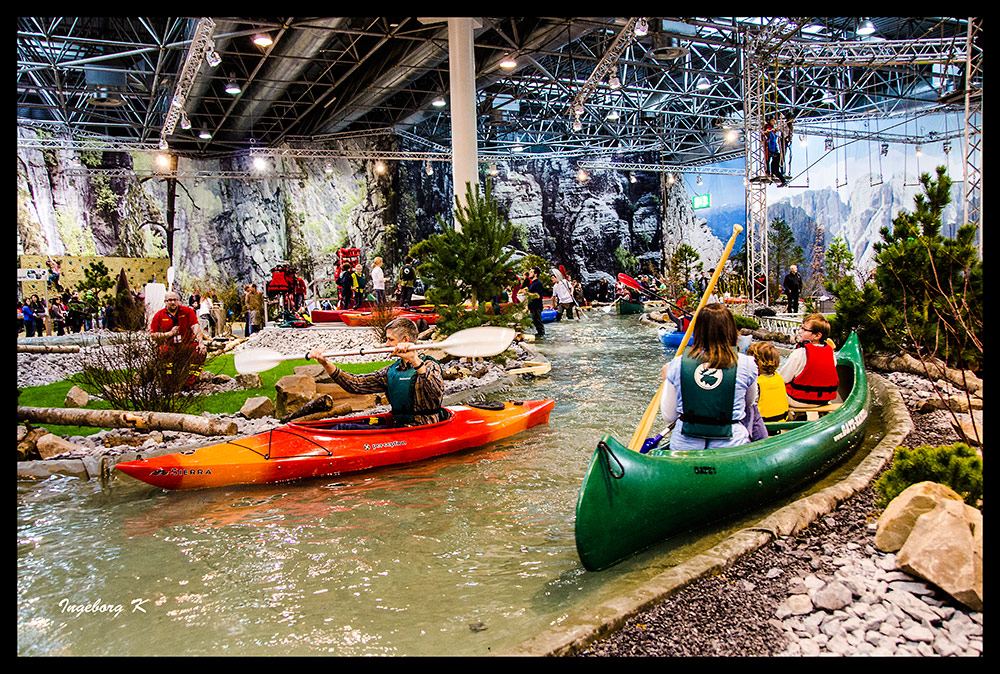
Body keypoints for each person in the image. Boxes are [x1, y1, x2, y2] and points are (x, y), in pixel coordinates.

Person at [307, 317, 444, 429]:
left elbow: (435, 391)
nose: (386, 344)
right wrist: (326, 363)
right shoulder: (392, 371)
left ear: (405, 340)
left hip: (424, 429)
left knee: (343, 429)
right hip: (399, 428)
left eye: (390, 340)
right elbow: (356, 384)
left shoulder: (429, 366)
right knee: (344, 427)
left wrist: (414, 360)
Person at [658, 303, 759, 451]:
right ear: (731, 330)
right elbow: (749, 402)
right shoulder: (747, 364)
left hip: (685, 446)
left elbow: (669, 416)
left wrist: (668, 379)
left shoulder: (677, 364)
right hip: (731, 444)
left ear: (698, 331)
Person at [149, 291, 207, 388]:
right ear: (165, 301)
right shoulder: (159, 315)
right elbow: (153, 335)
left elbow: (195, 326)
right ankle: (168, 383)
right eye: (170, 300)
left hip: (185, 344)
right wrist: (169, 334)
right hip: (169, 345)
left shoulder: (187, 311)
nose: (172, 302)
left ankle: (190, 382)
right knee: (164, 351)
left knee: (200, 352)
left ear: (178, 301)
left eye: (175, 300)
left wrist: (201, 343)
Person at [780, 313, 839, 406]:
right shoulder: (830, 353)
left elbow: (783, 378)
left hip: (798, 400)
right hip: (824, 400)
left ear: (817, 335)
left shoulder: (799, 352)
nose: (800, 331)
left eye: (804, 329)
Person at [743, 340, 789, 442]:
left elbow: (750, 404)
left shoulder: (757, 382)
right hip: (779, 422)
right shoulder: (778, 377)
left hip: (763, 424)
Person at [527, 267, 546, 337]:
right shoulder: (533, 283)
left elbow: (537, 295)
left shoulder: (537, 283)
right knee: (536, 322)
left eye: (531, 272)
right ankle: (539, 334)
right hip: (533, 306)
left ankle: (541, 335)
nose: (529, 273)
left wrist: (526, 293)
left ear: (535, 274)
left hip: (536, 306)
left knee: (538, 322)